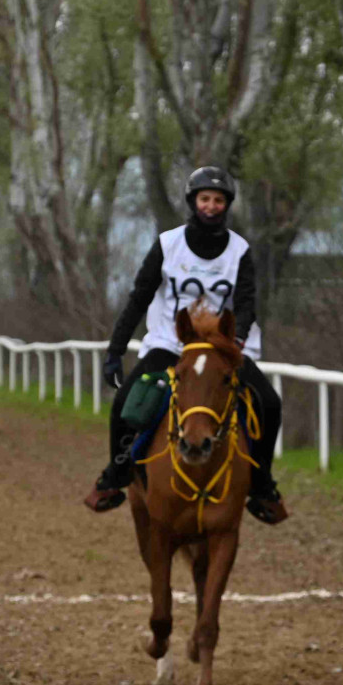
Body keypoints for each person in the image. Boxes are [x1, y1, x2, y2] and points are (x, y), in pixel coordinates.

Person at [83, 166, 288, 524]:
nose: (211, 206)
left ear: (227, 205)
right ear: (194, 202)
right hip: (170, 344)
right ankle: (115, 475)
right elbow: (139, 298)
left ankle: (262, 483)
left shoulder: (239, 250)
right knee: (125, 402)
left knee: (268, 402)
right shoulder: (167, 244)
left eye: (218, 200)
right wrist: (115, 350)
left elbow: (245, 302)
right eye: (205, 199)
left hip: (224, 348)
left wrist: (235, 342)